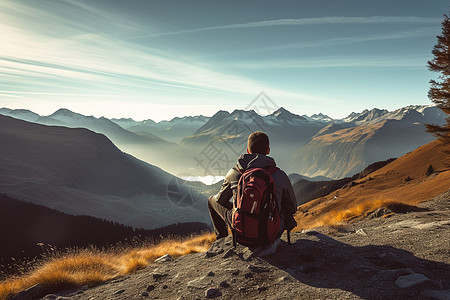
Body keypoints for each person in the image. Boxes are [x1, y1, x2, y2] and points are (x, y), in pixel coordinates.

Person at [208, 131, 297, 242]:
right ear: (268, 151)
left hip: (241, 231)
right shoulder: (279, 175)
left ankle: (222, 240)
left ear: (248, 151)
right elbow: (293, 208)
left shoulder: (234, 173)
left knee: (211, 201)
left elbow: (221, 200)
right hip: (271, 233)